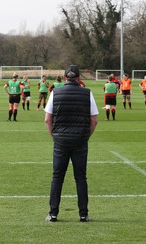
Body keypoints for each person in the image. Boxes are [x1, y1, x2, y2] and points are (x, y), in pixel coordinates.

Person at [44, 64, 98, 223]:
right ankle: (83, 214)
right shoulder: (87, 93)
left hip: (61, 140)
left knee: (57, 177)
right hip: (80, 140)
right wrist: (86, 136)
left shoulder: (55, 92)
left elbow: (48, 119)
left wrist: (54, 135)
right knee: (81, 177)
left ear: (65, 77)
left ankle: (53, 214)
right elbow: (94, 120)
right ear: (79, 77)